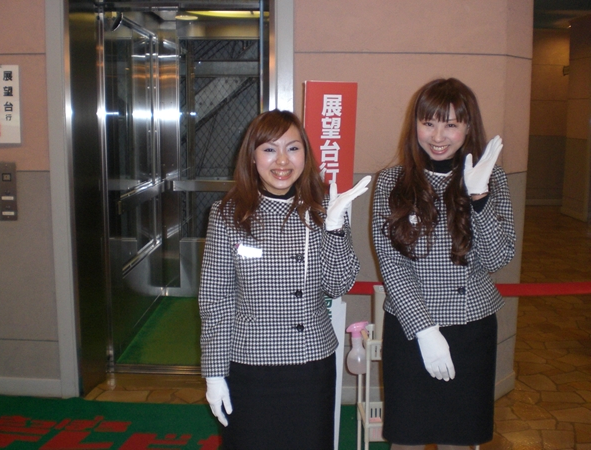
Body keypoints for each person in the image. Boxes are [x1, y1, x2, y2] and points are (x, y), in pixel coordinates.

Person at [198, 109, 371, 450]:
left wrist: (334, 228)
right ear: (252, 156)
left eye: (293, 148)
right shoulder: (227, 213)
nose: (282, 160)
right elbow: (216, 299)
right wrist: (214, 373)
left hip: (311, 363)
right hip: (250, 364)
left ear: (305, 154)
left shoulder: (325, 208)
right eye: (269, 149)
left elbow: (338, 285)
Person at [372, 78, 516, 449]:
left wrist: (479, 197)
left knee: (459, 439)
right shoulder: (392, 181)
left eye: (451, 124)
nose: (438, 136)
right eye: (429, 123)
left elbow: (498, 257)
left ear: (468, 127)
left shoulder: (493, 178)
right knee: (406, 439)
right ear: (415, 125)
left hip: (471, 328)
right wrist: (425, 330)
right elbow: (392, 264)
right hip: (410, 328)